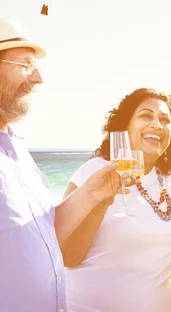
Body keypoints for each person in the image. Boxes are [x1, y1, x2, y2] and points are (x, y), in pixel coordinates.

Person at [0, 17, 131, 312]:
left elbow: (43, 235)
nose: (38, 79)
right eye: (26, 66)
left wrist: (91, 195)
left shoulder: (18, 147)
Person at [62, 88, 171, 312]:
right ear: (125, 125)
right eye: (145, 116)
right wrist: (100, 205)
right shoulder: (93, 172)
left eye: (165, 120)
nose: (157, 125)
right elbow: (67, 256)